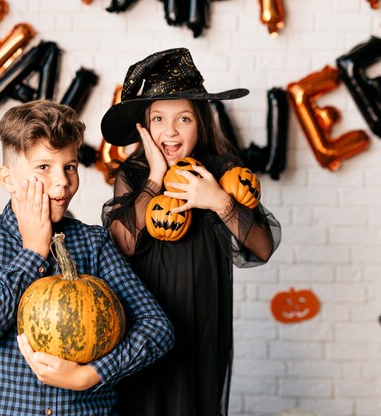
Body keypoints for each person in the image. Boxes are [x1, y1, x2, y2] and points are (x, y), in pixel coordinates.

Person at [0, 100, 174, 416]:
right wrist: (33, 251)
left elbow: (157, 328)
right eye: (44, 167)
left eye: (70, 166)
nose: (62, 182)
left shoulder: (93, 242)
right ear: (8, 178)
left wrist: (90, 375)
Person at [100, 48, 282, 416]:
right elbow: (124, 244)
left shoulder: (220, 171)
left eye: (183, 118)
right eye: (158, 119)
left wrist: (218, 201)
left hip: (201, 323)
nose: (170, 131)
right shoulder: (133, 177)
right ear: (145, 128)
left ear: (200, 122)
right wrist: (154, 177)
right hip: (143, 325)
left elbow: (262, 247)